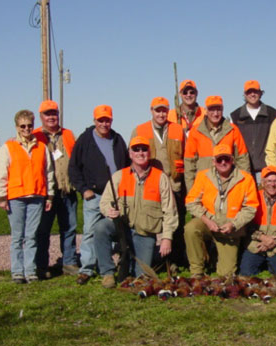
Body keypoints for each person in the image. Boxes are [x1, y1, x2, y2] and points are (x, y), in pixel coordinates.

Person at [94, 136, 178, 287]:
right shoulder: (119, 175)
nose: (140, 152)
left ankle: (145, 257)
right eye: (136, 149)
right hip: (123, 228)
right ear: (130, 154)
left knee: (140, 276)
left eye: (144, 149)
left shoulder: (160, 178)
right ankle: (107, 273)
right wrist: (109, 211)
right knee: (101, 228)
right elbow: (104, 201)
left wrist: (167, 238)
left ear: (149, 153)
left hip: (145, 233)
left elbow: (170, 211)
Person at [68, 105, 130, 285]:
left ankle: (111, 265)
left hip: (115, 195)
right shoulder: (85, 140)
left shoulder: (117, 139)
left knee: (114, 230)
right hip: (94, 194)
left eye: (107, 120)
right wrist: (83, 189)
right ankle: (87, 269)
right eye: (101, 120)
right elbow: (73, 168)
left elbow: (126, 165)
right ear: (94, 121)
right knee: (89, 231)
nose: (104, 123)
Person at [0, 109, 54, 283]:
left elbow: (48, 172)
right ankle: (17, 272)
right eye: (23, 126)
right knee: (17, 236)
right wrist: (1, 196)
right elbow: (1, 174)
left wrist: (49, 196)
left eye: (29, 125)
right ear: (17, 127)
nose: (27, 129)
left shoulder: (42, 148)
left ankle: (30, 270)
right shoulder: (8, 147)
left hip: (37, 196)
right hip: (16, 196)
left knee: (32, 236)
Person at [184, 144, 258, 277]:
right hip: (209, 223)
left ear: (232, 160)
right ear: (213, 161)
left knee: (226, 275)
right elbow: (190, 201)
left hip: (230, 230)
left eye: (226, 159)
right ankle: (197, 271)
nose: (223, 162)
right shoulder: (203, 176)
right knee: (191, 228)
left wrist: (234, 224)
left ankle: (213, 257)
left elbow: (251, 208)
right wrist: (207, 220)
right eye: (219, 159)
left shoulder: (245, 178)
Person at [130, 96, 187, 266]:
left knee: (176, 224)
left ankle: (174, 261)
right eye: (157, 110)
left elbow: (187, 155)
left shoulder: (177, 129)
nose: (161, 114)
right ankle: (147, 258)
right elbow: (132, 157)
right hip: (150, 185)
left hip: (174, 184)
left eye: (164, 110)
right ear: (151, 111)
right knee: (149, 223)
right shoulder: (139, 130)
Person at [33, 100, 79, 278]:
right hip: (46, 193)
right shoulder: (35, 136)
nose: (51, 117)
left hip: (67, 190)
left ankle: (69, 262)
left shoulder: (68, 134)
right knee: (43, 230)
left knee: (69, 228)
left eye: (54, 113)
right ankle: (41, 265)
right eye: (47, 114)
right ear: (41, 117)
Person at [184, 95, 250, 191]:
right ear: (206, 111)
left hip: (229, 185)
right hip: (204, 186)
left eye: (218, 110)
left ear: (223, 110)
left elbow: (243, 160)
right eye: (212, 110)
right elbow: (189, 164)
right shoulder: (195, 132)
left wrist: (244, 186)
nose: (215, 114)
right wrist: (191, 190)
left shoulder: (233, 130)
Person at [240, 165, 276, 276]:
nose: (272, 184)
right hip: (256, 244)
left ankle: (272, 263)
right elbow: (246, 226)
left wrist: (275, 241)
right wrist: (262, 237)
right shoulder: (253, 198)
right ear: (262, 183)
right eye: (269, 181)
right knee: (246, 273)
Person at [230, 80, 276, 181]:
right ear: (245, 94)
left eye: (255, 91)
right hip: (242, 170)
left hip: (265, 170)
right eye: (249, 92)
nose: (252, 94)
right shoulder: (235, 116)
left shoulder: (272, 114)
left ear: (260, 93)